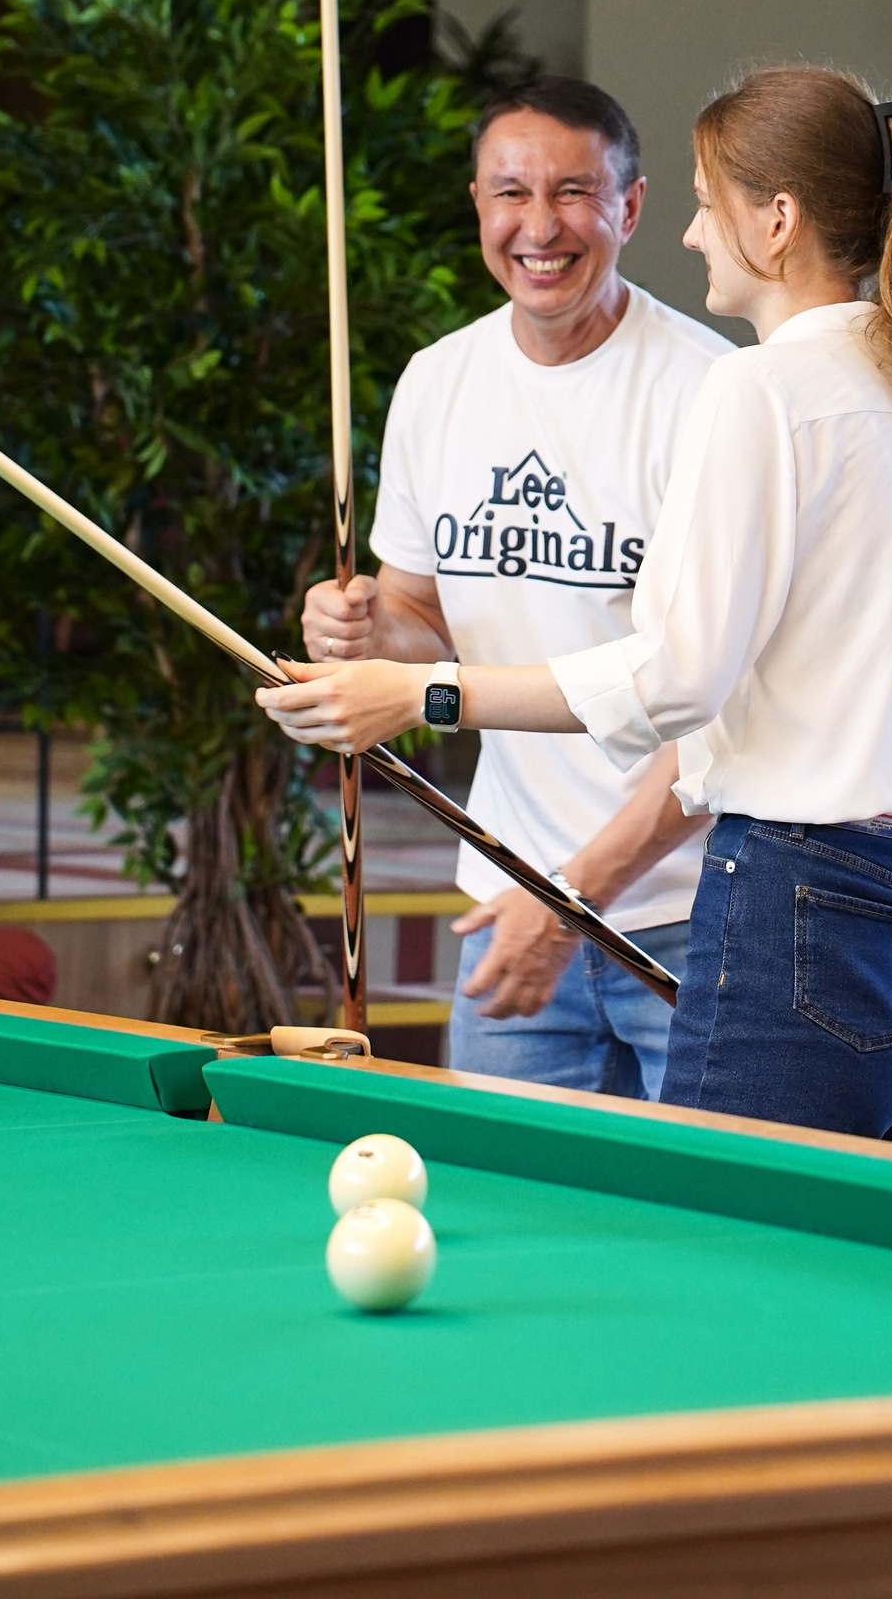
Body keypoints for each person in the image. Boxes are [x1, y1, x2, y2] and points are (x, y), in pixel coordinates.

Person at [265, 64, 892, 1147]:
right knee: (850, 1246)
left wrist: (424, 695)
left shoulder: (755, 386)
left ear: (778, 220)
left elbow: (676, 678)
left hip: (799, 894)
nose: (696, 235)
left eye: (708, 205)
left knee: (720, 1237)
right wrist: (387, 645)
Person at [298, 75, 725, 1100]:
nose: (539, 227)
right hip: (509, 891)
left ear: (631, 207)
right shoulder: (438, 381)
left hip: (686, 908)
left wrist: (573, 900)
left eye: (573, 192)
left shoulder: (710, 393)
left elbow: (721, 703)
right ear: (478, 205)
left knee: (694, 1203)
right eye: (511, 193)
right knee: (502, 1197)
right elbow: (420, 617)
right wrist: (363, 631)